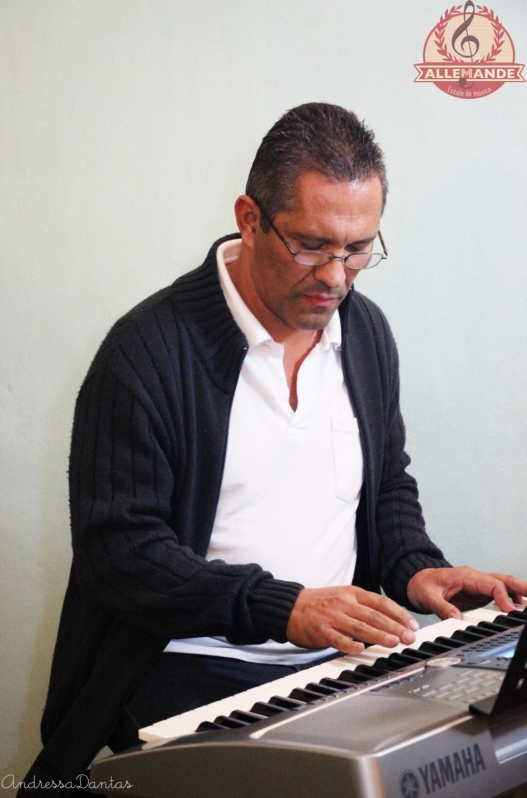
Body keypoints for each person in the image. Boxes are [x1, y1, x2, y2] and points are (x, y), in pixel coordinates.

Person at [21, 103, 527, 793]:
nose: (336, 277)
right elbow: (120, 557)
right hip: (181, 664)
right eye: (312, 245)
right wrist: (281, 608)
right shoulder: (147, 351)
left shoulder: (364, 333)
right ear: (250, 218)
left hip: (335, 665)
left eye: (358, 249)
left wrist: (415, 571)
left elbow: (383, 489)